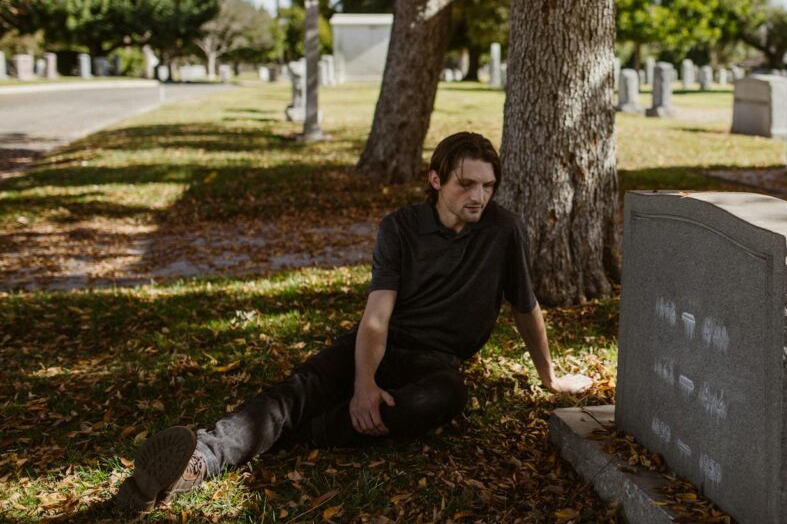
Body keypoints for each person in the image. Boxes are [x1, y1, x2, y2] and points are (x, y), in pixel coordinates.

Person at [114, 132, 592, 513]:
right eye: (465, 184)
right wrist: (365, 382)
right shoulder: (400, 228)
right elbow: (377, 317)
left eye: (487, 185)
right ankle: (198, 459)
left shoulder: (503, 230)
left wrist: (549, 378)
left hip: (436, 363)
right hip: (382, 344)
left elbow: (524, 305)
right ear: (435, 180)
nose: (478, 196)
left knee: (442, 399)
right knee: (294, 392)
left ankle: (305, 433)